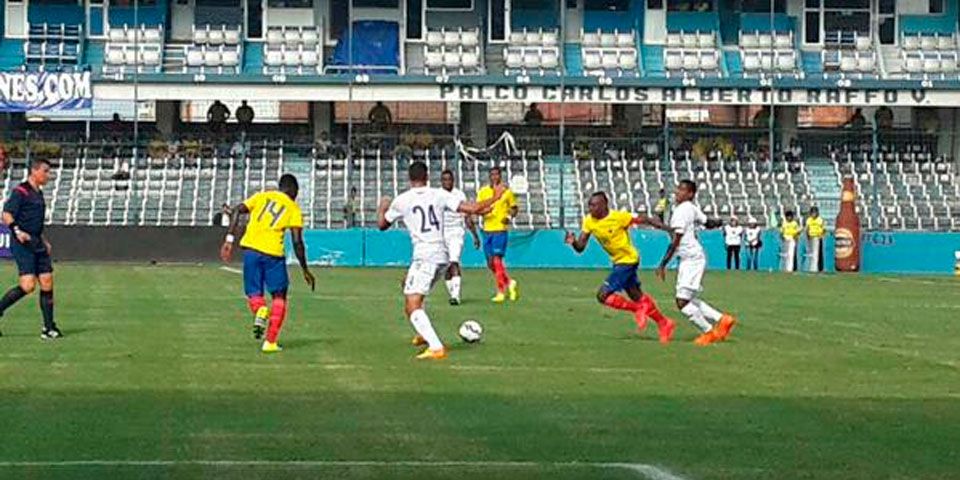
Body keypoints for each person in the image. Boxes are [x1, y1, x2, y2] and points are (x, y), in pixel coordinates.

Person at [377, 161, 503, 360]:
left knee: (412, 305)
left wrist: (383, 206)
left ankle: (435, 346)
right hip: (441, 256)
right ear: (427, 177)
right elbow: (473, 208)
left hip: (424, 256)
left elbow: (382, 225)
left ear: (409, 179)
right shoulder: (440, 194)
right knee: (408, 286)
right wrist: (495, 198)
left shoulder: (402, 200)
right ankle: (422, 333)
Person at [220, 174, 315, 353]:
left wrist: (229, 239)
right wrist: (305, 269)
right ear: (293, 190)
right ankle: (270, 342)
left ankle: (260, 310)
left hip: (251, 251)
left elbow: (236, 211)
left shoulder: (261, 196)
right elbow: (297, 242)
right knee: (280, 296)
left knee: (254, 292)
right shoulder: (293, 208)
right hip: (273, 254)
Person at [565, 192, 676, 343]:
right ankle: (664, 323)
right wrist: (573, 242)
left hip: (628, 260)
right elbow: (581, 247)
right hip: (618, 261)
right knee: (636, 295)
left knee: (602, 295)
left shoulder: (618, 217)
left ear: (604, 205)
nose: (590, 208)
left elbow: (644, 219)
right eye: (589, 205)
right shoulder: (589, 221)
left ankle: (637, 308)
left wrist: (667, 228)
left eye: (594, 205)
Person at [655, 180, 737, 346]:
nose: (677, 192)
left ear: (690, 194)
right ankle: (723, 319)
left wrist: (663, 263)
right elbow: (707, 222)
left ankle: (709, 332)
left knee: (682, 302)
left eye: (682, 190)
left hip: (691, 258)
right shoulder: (691, 208)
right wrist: (719, 222)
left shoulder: (681, 211)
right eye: (678, 189)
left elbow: (676, 240)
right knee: (688, 298)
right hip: (691, 257)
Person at [0, 159, 61, 339]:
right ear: (34, 171)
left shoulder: (38, 193)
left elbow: (35, 222)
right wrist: (17, 231)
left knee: (47, 281)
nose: (48, 175)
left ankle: (49, 327)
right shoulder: (21, 191)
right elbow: (7, 214)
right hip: (23, 244)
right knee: (28, 286)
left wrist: (43, 240)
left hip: (37, 242)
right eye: (45, 171)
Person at [477, 166, 519, 303]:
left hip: (500, 229)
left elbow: (514, 209)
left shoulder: (507, 192)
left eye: (497, 175)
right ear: (489, 176)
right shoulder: (483, 192)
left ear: (500, 176)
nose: (495, 177)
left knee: (497, 260)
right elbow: (479, 208)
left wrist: (508, 217)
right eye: (492, 174)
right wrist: (484, 211)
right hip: (487, 230)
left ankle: (501, 291)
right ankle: (509, 282)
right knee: (490, 263)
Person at [440, 169, 481, 306]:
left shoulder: (459, 195)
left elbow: (467, 217)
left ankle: (456, 296)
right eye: (444, 179)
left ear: (453, 181)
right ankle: (452, 292)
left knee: (454, 261)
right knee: (445, 265)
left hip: (456, 232)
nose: (447, 182)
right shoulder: (437, 195)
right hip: (441, 233)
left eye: (449, 179)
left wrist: (475, 235)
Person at [805, 206, 825, 273]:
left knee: (817, 253)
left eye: (815, 212)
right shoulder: (809, 220)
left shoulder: (820, 220)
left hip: (817, 237)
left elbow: (823, 229)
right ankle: (811, 267)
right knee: (811, 253)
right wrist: (808, 236)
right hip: (811, 237)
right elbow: (807, 229)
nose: (814, 214)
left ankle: (817, 268)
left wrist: (821, 236)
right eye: (812, 212)